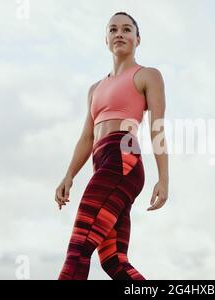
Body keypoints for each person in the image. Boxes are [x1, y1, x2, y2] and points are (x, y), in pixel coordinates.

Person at [55, 12, 169, 280]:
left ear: (137, 39)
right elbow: (86, 137)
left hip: (123, 159)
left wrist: (163, 179)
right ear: (106, 39)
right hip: (102, 163)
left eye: (127, 30)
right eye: (113, 29)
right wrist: (69, 175)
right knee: (114, 261)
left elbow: (157, 128)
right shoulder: (95, 88)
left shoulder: (147, 75)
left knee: (78, 249)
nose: (120, 33)